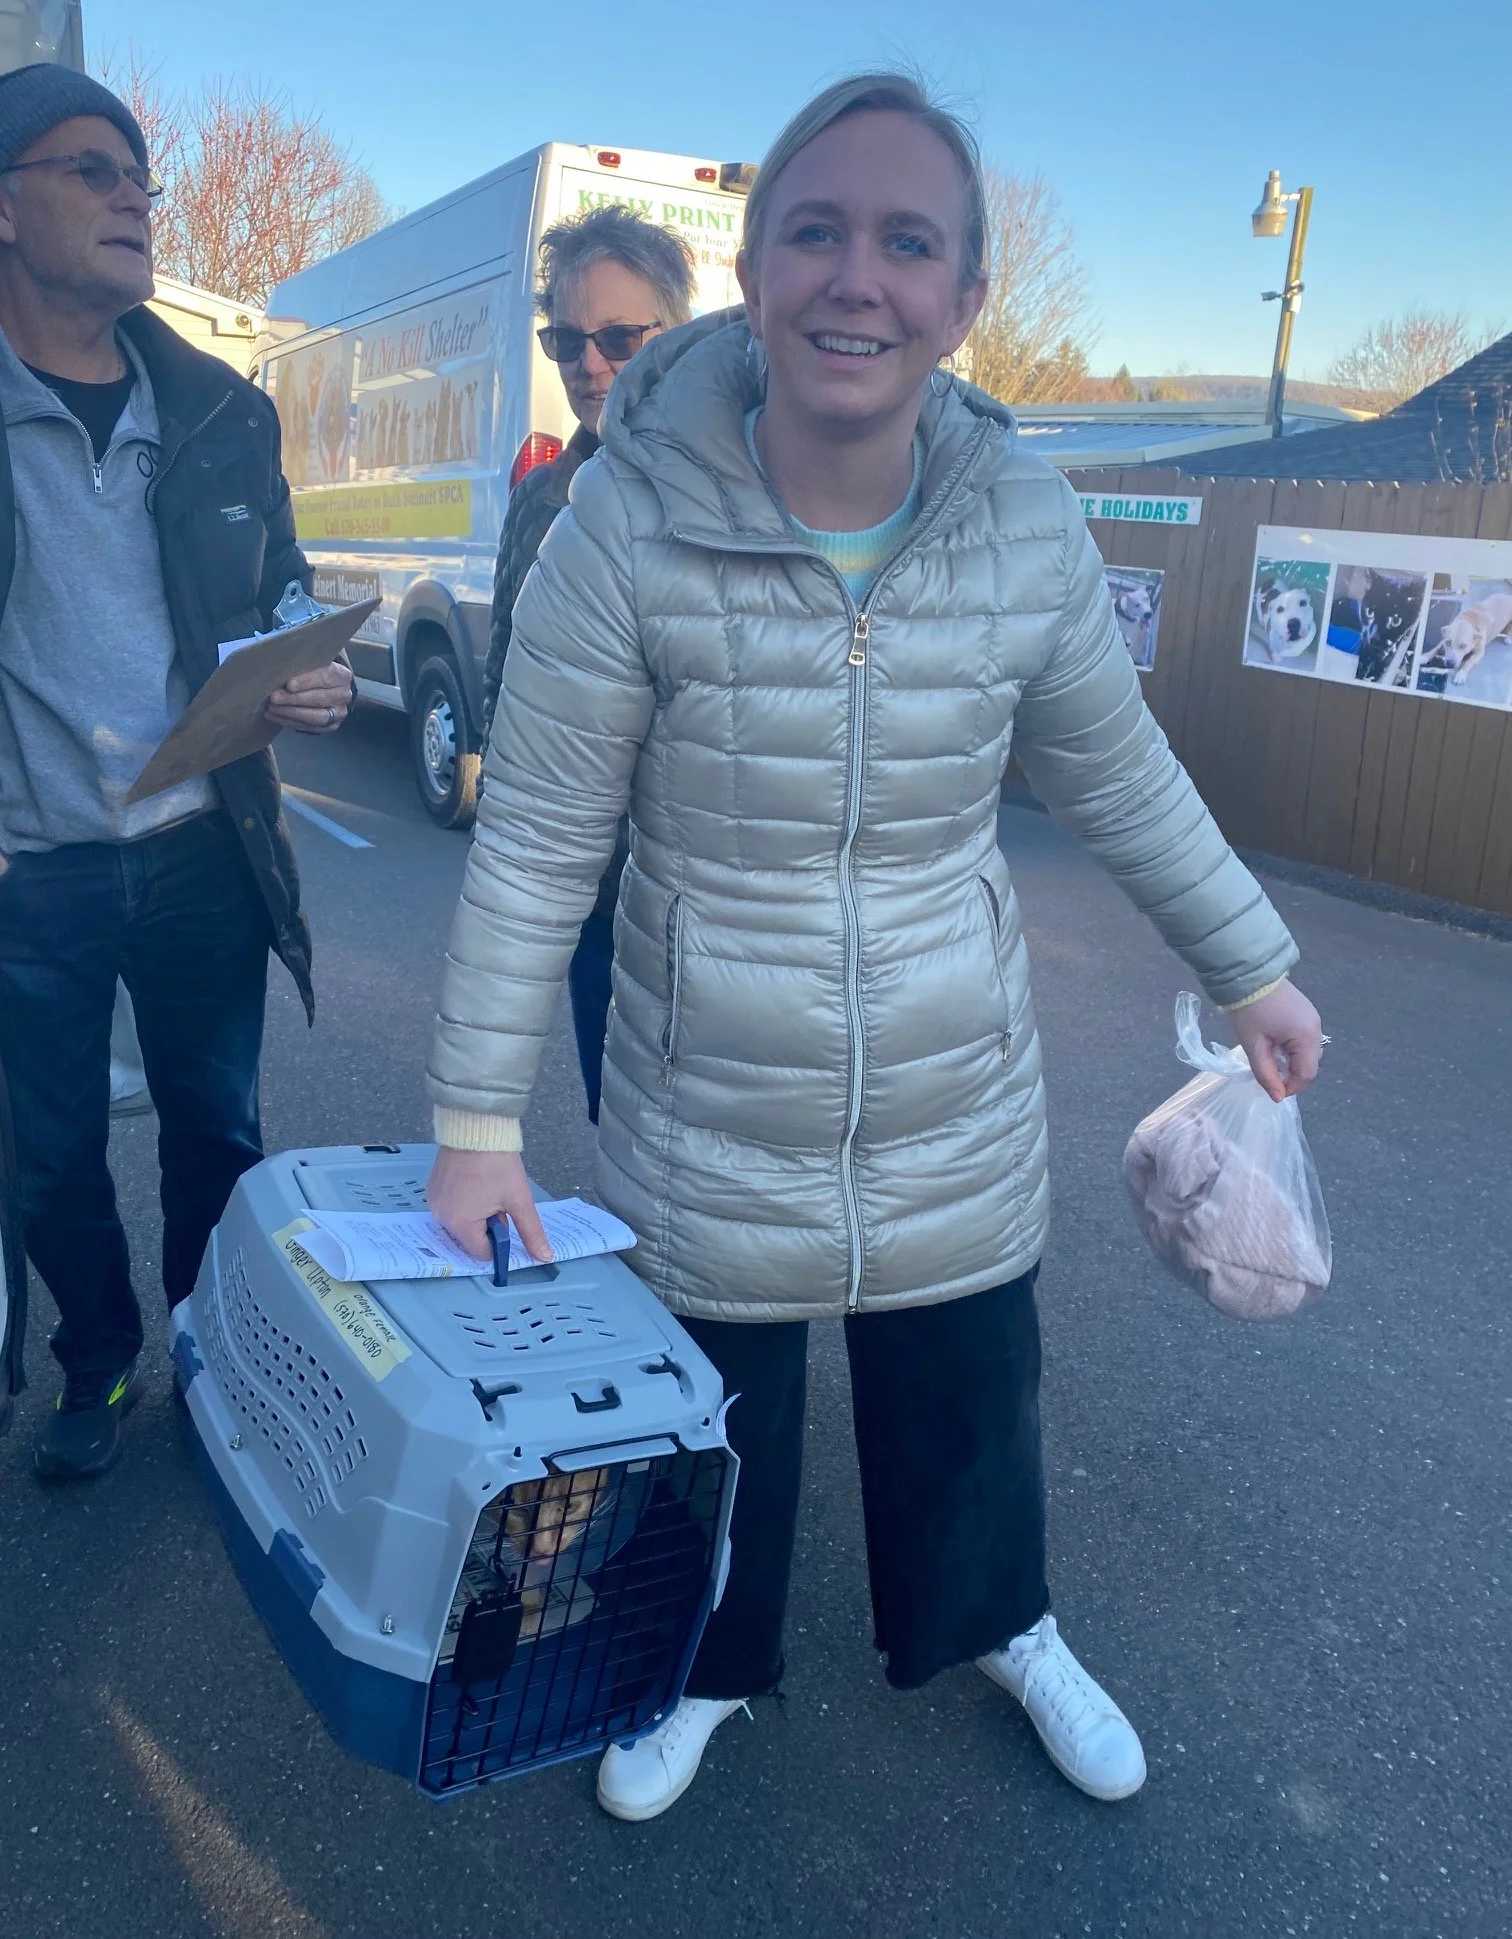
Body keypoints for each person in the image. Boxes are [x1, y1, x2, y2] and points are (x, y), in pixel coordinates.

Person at [427, 71, 1325, 1820]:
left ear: (964, 298)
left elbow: (1114, 768)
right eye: (817, 231)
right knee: (720, 1405)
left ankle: (1003, 1618)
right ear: (754, 271)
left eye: (908, 242)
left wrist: (1250, 962)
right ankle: (699, 1660)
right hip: (708, 1075)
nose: (860, 278)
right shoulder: (623, 523)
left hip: (950, 1069)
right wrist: (476, 1120)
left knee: (966, 1388)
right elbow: (537, 835)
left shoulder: (1018, 522)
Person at [0, 66, 353, 1479]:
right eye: (91, 167)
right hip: (34, 870)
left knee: (218, 1126)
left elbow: (277, 585)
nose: (136, 192)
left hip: (206, 848)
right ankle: (99, 1364)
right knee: (49, 1153)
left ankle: (213, 1354)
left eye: (142, 174)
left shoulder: (218, 409)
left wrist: (301, 662)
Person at [483, 204, 695, 1122]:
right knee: (624, 1145)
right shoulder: (539, 501)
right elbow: (505, 703)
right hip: (596, 909)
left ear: (675, 333)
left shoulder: (745, 486)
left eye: (618, 335)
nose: (590, 364)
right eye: (567, 340)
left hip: (721, 914)